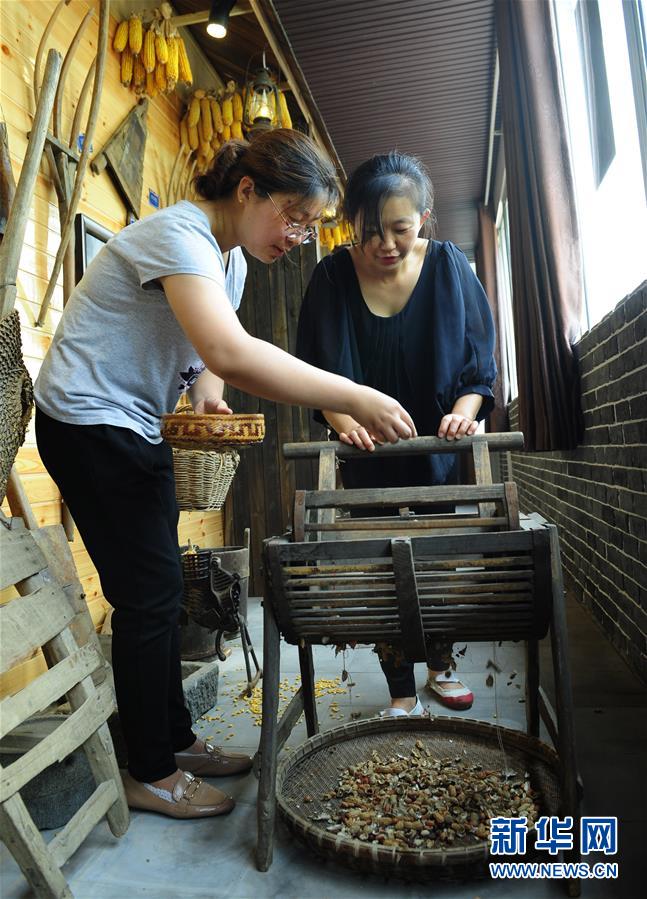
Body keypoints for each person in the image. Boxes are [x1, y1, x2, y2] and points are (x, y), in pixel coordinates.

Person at [34, 131, 416, 819]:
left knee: (160, 589)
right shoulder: (177, 234)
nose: (300, 234)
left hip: (133, 424)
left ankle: (175, 741)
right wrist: (351, 393)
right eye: (295, 215)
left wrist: (206, 388)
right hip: (87, 423)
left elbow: (208, 347)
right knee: (147, 598)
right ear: (247, 191)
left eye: (311, 224)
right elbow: (229, 348)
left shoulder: (227, 259)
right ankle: (148, 771)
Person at [296, 151, 496, 717]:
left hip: (436, 455)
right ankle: (401, 692)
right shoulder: (332, 276)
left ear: (425, 219)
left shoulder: (452, 268)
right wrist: (346, 424)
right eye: (369, 232)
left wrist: (464, 412)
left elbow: (479, 367)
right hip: (366, 458)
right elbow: (315, 375)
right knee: (383, 574)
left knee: (435, 567)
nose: (384, 244)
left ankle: (440, 667)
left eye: (400, 229)